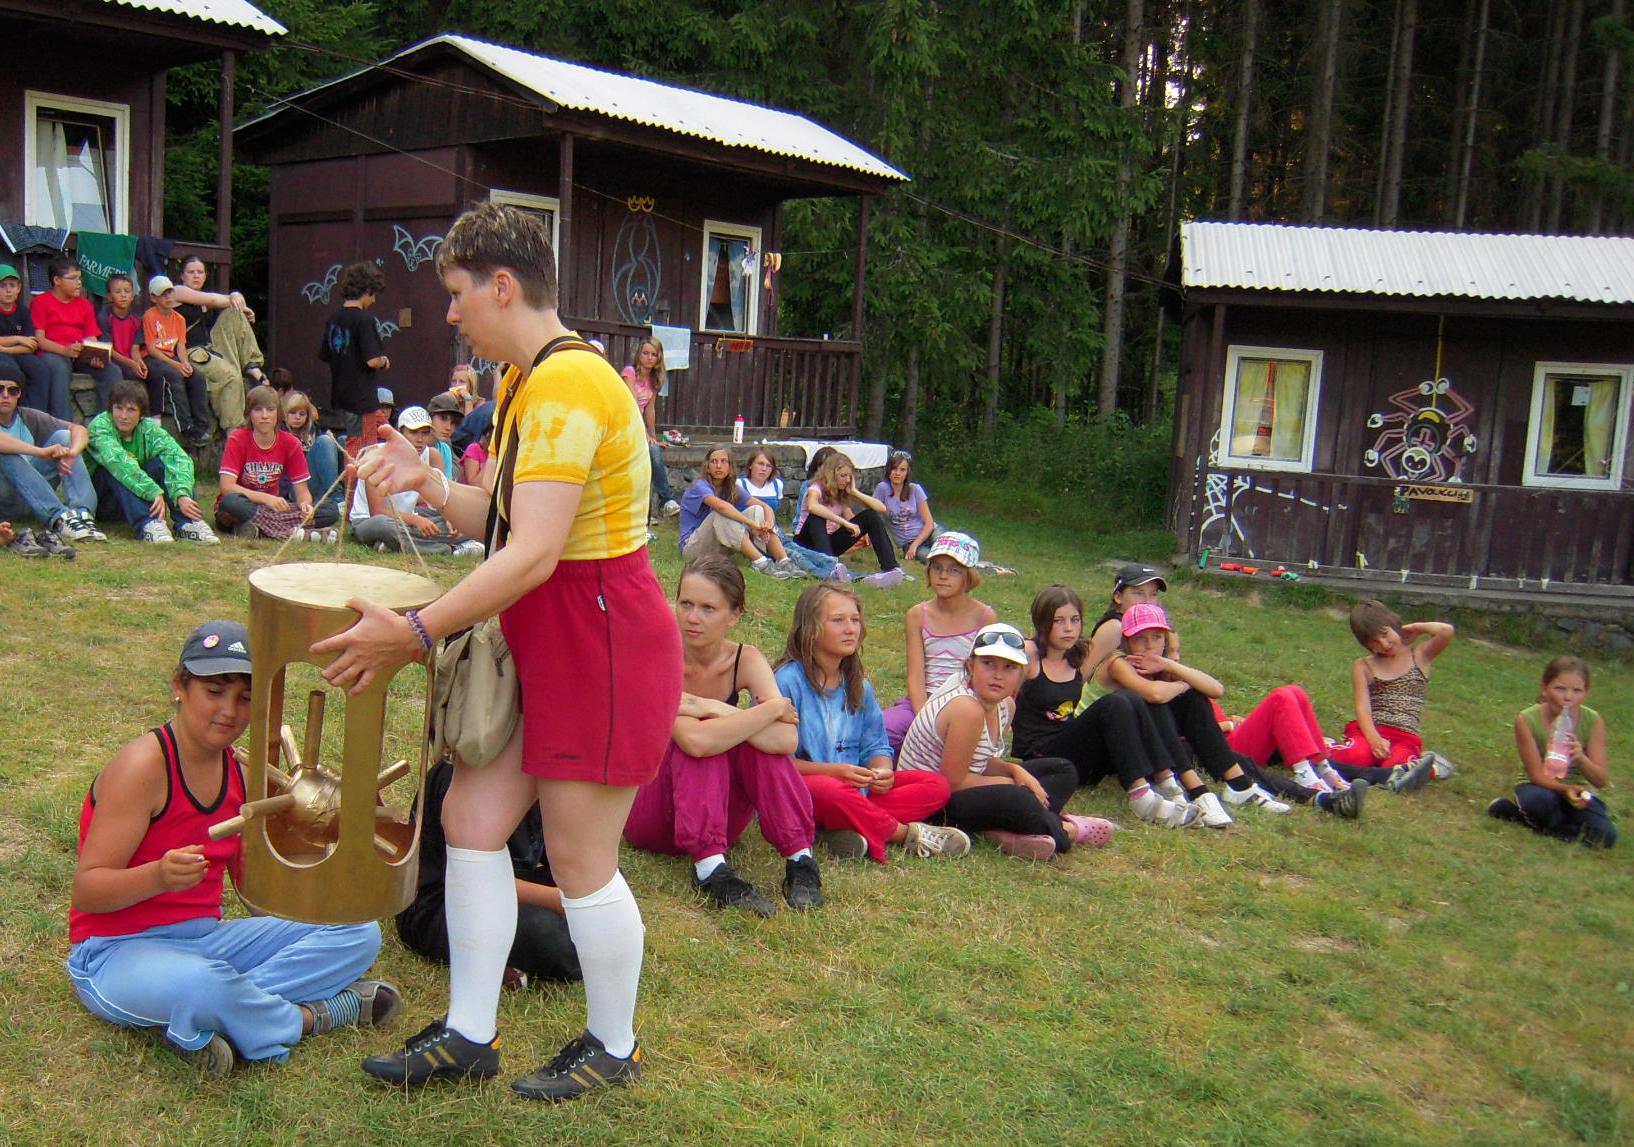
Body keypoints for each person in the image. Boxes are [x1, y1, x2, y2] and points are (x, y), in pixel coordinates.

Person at [311, 202, 682, 1101]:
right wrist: (432, 482)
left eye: (457, 293)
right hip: (548, 630)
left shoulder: (569, 384)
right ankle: (471, 1033)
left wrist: (415, 631)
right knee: (471, 819)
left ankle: (614, 1044)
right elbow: (512, 522)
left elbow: (534, 553)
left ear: (503, 285)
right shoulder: (527, 379)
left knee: (581, 857)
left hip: (600, 639)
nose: (449, 314)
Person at [65, 620, 400, 1076]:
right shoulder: (142, 766)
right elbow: (88, 891)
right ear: (179, 686)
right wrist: (158, 876)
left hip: (206, 941)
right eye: (214, 691)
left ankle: (221, 1016)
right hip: (115, 951)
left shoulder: (241, 774)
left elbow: (255, 890)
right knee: (202, 985)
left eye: (245, 697)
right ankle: (311, 1017)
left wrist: (316, 861)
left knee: (358, 932)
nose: (229, 710)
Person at [624, 555, 823, 916]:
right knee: (712, 738)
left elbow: (786, 742)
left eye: (708, 608)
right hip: (651, 813)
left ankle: (800, 858)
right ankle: (709, 870)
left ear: (734, 615)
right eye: (686, 603)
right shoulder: (658, 653)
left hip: (720, 815)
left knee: (752, 743)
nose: (692, 617)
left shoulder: (745, 659)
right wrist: (766, 711)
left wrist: (708, 706)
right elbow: (695, 742)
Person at [773, 582, 971, 863]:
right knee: (831, 791)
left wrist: (882, 771)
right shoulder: (786, 681)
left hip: (856, 790)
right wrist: (835, 773)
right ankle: (904, 834)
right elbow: (776, 764)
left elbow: (877, 745)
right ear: (811, 628)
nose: (850, 629)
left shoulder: (859, 685)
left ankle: (838, 830)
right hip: (804, 791)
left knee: (936, 785)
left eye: (855, 620)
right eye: (838, 620)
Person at [1083, 564, 1296, 817]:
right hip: (1104, 741)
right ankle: (1198, 791)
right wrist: (1183, 683)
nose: (1149, 645)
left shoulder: (1156, 658)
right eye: (1139, 593)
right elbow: (1154, 694)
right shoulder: (1118, 654)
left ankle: (1239, 785)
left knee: (1192, 699)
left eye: (1157, 637)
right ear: (1126, 639)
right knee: (1163, 701)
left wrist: (1170, 665)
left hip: (1139, 736)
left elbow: (1216, 689)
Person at [897, 622, 1116, 860]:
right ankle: (1066, 830)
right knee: (1019, 797)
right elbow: (952, 782)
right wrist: (1012, 784)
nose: (998, 675)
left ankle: (1004, 832)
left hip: (961, 788)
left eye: (1009, 667)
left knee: (1062, 770)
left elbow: (979, 761)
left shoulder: (1005, 705)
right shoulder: (966, 708)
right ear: (970, 665)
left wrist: (1014, 770)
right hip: (931, 803)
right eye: (988, 663)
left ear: (1022, 674)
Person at [1015, 584, 1202, 828]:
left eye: (1075, 620)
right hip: (1042, 758)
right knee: (1114, 703)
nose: (1069, 628)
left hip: (1078, 758)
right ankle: (1142, 798)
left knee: (1132, 698)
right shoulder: (1030, 654)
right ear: (1042, 622)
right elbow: (1002, 696)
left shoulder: (1079, 654)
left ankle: (1170, 786)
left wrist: (1168, 664)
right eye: (1058, 621)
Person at [397, 759, 583, 985]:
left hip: (508, 887)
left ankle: (519, 955)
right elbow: (472, 881)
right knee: (547, 933)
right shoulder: (464, 777)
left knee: (601, 884)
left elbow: (567, 858)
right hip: (443, 906)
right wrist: (559, 900)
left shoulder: (541, 772)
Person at [880, 531, 996, 751]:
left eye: (954, 570)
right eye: (937, 568)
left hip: (964, 703)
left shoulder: (984, 617)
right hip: (922, 701)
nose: (943, 575)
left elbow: (984, 673)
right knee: (882, 729)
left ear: (968, 575)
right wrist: (924, 719)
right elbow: (916, 675)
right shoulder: (917, 614)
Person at [1326, 600, 1455, 792]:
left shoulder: (1420, 656)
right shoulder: (1363, 665)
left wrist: (1416, 628)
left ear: (1394, 625)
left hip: (1404, 737)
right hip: (1370, 732)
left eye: (1385, 634)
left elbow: (1446, 631)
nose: (1384, 644)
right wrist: (1374, 739)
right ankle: (1324, 746)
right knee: (1354, 757)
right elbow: (1362, 708)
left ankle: (1431, 766)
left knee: (1396, 769)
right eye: (1374, 642)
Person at [1488, 655, 1615, 848]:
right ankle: (1561, 827)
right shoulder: (1526, 719)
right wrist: (1565, 790)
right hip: (1539, 787)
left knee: (1607, 835)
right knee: (1541, 802)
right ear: (1545, 688)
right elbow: (1536, 775)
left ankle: (1520, 817)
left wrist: (1581, 758)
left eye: (1577, 691)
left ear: (1586, 693)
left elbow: (1601, 780)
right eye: (1560, 689)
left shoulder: (1593, 720)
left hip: (1578, 791)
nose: (1568, 697)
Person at [85, 380, 219, 543]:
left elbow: (178, 457)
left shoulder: (148, 429)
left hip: (134, 498)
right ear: (111, 408)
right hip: (104, 501)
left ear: (141, 414)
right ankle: (147, 525)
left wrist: (181, 493)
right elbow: (119, 463)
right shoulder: (100, 427)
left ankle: (188, 524)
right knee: (115, 469)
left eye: (131, 410)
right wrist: (153, 491)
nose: (123, 416)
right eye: (118, 408)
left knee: (161, 463)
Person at [349, 407, 482, 557]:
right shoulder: (379, 455)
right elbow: (377, 512)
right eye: (413, 432)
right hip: (371, 521)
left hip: (407, 519)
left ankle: (393, 544)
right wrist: (416, 520)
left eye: (425, 433)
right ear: (400, 432)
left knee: (464, 520)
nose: (420, 439)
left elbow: (442, 499)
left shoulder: (432, 455)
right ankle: (448, 549)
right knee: (383, 525)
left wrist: (450, 517)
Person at [215, 385, 339, 540]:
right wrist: (267, 499)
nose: (264, 416)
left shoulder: (291, 443)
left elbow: (302, 491)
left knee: (331, 510)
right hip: (244, 505)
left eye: (270, 410)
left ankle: (258, 529)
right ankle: (290, 532)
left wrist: (305, 505)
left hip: (272, 509)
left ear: (278, 413)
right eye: (258, 410)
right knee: (230, 503)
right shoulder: (237, 439)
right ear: (249, 414)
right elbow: (227, 487)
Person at [0, 377, 101, 547]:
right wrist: (42, 452)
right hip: (5, 502)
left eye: (12, 390)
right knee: (6, 454)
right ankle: (59, 519)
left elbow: (79, 429)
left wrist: (71, 453)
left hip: (34, 495)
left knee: (65, 437)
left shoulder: (28, 416)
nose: (5, 395)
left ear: (19, 394)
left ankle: (82, 516)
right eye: (0, 389)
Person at [172, 255, 268, 431]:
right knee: (232, 377)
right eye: (191, 272)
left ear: (205, 275)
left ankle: (252, 365)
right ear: (182, 276)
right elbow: (213, 300)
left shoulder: (201, 299)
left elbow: (216, 301)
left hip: (209, 346)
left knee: (234, 313)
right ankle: (233, 430)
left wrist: (237, 301)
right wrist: (234, 296)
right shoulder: (177, 292)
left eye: (200, 272)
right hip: (190, 352)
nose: (196, 275)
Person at [678, 445, 803, 578]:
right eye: (714, 461)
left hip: (720, 546)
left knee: (757, 510)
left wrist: (768, 525)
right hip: (693, 547)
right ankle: (761, 563)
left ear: (730, 467)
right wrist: (752, 525)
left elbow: (765, 507)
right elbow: (721, 507)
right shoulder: (699, 486)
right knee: (719, 515)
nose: (718, 466)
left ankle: (783, 561)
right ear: (707, 467)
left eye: (723, 461)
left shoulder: (732, 488)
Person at [29, 256, 121, 418]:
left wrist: (95, 355)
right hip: (54, 352)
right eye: (73, 278)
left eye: (80, 278)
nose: (79, 283)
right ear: (57, 280)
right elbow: (39, 340)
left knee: (112, 371)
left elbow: (91, 336)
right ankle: (63, 425)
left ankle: (104, 424)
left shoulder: (85, 304)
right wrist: (65, 351)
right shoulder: (41, 302)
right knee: (59, 368)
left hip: (80, 353)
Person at [795, 450, 902, 578]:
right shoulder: (816, 488)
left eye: (850, 476)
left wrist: (854, 492)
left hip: (828, 543)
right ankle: (831, 568)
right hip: (805, 543)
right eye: (843, 475)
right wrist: (844, 523)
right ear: (831, 475)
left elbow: (881, 508)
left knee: (870, 516)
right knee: (817, 516)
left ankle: (891, 568)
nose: (847, 480)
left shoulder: (842, 493)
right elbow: (812, 506)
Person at [97, 273, 185, 430]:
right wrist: (132, 364)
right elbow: (108, 349)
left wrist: (138, 362)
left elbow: (135, 348)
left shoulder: (137, 318)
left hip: (132, 358)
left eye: (127, 291)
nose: (123, 295)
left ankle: (154, 418)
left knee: (154, 373)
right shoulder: (105, 317)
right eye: (118, 292)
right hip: (115, 358)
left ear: (133, 295)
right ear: (110, 296)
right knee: (132, 377)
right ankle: (131, 418)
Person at [319, 262, 391, 451]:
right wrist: (384, 361)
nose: (374, 300)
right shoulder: (364, 320)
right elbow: (372, 360)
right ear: (367, 290)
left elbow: (326, 355)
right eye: (373, 294)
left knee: (390, 436)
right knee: (362, 450)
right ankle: (356, 473)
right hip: (362, 401)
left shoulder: (333, 319)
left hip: (340, 398)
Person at [142, 275, 213, 447]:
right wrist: (176, 365)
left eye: (170, 292)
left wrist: (185, 363)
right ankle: (186, 427)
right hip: (153, 357)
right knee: (175, 376)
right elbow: (151, 348)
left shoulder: (179, 318)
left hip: (171, 356)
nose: (168, 297)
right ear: (154, 298)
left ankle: (202, 426)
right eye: (163, 294)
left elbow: (180, 346)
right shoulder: (149, 316)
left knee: (197, 376)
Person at [621, 337, 680, 517]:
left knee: (654, 448)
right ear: (639, 355)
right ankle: (665, 499)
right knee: (651, 449)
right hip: (624, 422)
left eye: (653, 354)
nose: (649, 358)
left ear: (658, 358)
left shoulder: (654, 380)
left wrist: (653, 436)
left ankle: (664, 503)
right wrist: (644, 435)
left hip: (639, 426)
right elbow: (631, 406)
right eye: (645, 353)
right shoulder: (629, 373)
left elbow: (650, 409)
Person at [280, 390, 345, 515]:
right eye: (293, 413)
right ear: (284, 413)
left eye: (302, 414)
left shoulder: (313, 430)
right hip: (295, 488)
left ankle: (338, 496)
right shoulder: (279, 434)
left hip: (315, 485)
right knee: (324, 441)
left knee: (336, 440)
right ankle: (337, 497)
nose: (298, 417)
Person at [0, 263, 50, 407]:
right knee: (11, 371)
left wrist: (5, 348)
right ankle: (11, 412)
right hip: (4, 356)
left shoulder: (24, 312)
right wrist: (18, 338)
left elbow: (31, 345)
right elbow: (24, 341)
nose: (8, 290)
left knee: (40, 369)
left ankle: (35, 413)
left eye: (12, 285)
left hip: (16, 353)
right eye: (3, 286)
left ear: (19, 288)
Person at [873, 450, 936, 562]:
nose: (897, 473)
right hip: (909, 542)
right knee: (934, 559)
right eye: (894, 468)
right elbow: (871, 512)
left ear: (907, 472)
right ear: (889, 470)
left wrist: (915, 545)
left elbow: (929, 523)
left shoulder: (915, 489)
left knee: (951, 546)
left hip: (929, 533)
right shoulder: (882, 488)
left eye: (902, 470)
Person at [426, 391, 464, 480]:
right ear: (429, 417)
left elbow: (451, 477)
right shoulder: (415, 444)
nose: (448, 427)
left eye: (453, 422)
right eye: (443, 418)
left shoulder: (445, 446)